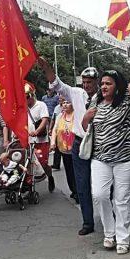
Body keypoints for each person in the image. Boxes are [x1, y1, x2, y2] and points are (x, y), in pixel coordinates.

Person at [81, 39, 130, 254]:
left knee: (121, 199)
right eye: (103, 83)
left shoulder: (126, 100)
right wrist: (86, 117)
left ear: (117, 86)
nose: (104, 86)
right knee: (99, 195)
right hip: (100, 159)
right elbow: (85, 126)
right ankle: (109, 233)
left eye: (108, 83)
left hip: (125, 159)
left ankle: (122, 238)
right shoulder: (94, 101)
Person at [37, 58, 100, 235]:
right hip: (80, 142)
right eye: (85, 82)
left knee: (103, 184)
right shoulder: (76, 93)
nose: (87, 85)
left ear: (97, 81)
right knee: (82, 184)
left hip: (100, 143)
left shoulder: (103, 96)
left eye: (90, 82)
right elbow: (56, 83)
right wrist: (47, 67)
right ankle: (88, 222)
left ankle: (109, 217)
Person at [25, 85, 55, 192]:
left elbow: (45, 120)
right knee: (28, 163)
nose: (26, 99)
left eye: (27, 97)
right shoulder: (23, 108)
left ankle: (50, 176)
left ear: (32, 95)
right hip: (28, 141)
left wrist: (37, 132)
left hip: (41, 140)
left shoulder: (41, 105)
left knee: (42, 162)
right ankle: (29, 186)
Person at [50, 98, 77, 200]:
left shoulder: (77, 115)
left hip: (76, 150)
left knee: (77, 172)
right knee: (69, 172)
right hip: (64, 150)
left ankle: (78, 191)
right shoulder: (60, 116)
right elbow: (55, 130)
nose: (65, 105)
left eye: (68, 102)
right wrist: (53, 143)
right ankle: (73, 190)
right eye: (64, 103)